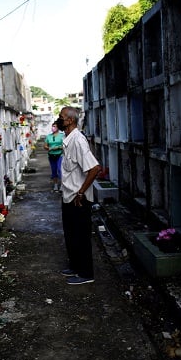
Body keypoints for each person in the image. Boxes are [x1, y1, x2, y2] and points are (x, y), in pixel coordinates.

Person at [56, 106, 101, 285]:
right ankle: (75, 266)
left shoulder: (78, 141)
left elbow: (94, 168)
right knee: (71, 235)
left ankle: (86, 273)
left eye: (61, 117)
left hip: (78, 200)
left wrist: (81, 192)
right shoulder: (69, 139)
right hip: (69, 196)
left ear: (70, 120)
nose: (59, 120)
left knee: (81, 237)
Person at [43, 123, 64, 192]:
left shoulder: (62, 136)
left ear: (58, 128)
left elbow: (64, 145)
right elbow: (45, 146)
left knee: (60, 169)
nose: (53, 128)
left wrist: (58, 147)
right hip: (51, 155)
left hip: (59, 155)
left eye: (55, 126)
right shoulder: (48, 136)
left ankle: (62, 185)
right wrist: (50, 148)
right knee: (54, 170)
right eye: (52, 126)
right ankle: (55, 185)